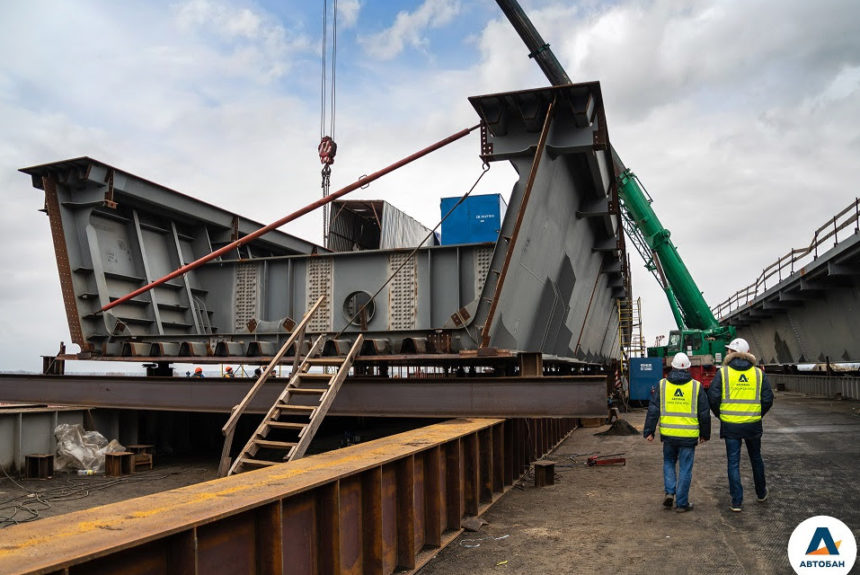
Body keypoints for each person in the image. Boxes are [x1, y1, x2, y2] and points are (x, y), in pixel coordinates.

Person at [707, 337, 773, 512]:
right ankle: (761, 493)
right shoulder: (759, 373)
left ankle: (737, 501)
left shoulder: (723, 373)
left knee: (733, 463)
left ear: (734, 354)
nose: (727, 352)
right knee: (756, 459)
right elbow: (767, 399)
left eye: (729, 350)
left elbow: (713, 397)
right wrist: (757, 415)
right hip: (752, 425)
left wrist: (722, 415)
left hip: (731, 426)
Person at [643, 352, 711, 513]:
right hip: (688, 437)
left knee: (668, 462)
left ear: (672, 367)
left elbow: (653, 410)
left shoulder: (662, 385)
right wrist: (704, 434)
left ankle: (669, 492)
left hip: (669, 436)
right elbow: (704, 413)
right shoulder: (696, 386)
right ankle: (681, 504)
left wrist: (649, 431)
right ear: (688, 368)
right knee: (685, 469)